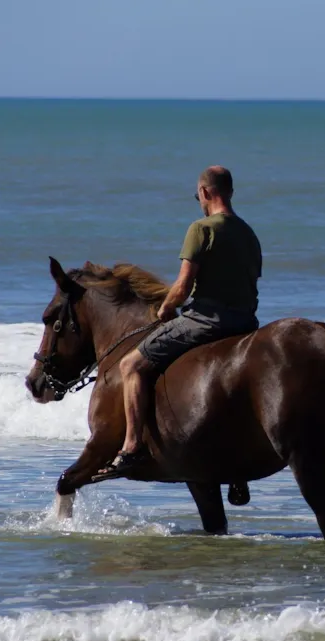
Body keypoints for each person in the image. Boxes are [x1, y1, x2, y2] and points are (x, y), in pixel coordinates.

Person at [100, 166, 262, 478]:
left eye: (198, 196)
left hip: (207, 320)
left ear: (205, 192)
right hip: (246, 323)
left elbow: (183, 286)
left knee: (130, 365)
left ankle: (131, 447)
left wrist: (165, 309)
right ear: (230, 192)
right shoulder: (248, 233)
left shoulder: (202, 229)